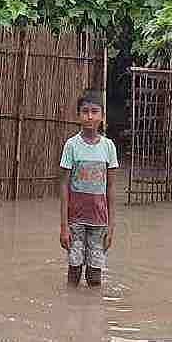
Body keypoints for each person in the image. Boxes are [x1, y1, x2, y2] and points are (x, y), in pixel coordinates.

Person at [59, 90, 118, 287]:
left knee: (95, 274)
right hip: (75, 220)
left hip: (99, 222)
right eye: (85, 111)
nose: (90, 116)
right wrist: (63, 226)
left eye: (95, 111)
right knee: (74, 270)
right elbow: (64, 185)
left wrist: (111, 227)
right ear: (78, 115)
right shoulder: (71, 146)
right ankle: (71, 310)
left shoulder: (108, 147)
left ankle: (94, 313)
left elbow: (110, 188)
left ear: (102, 116)